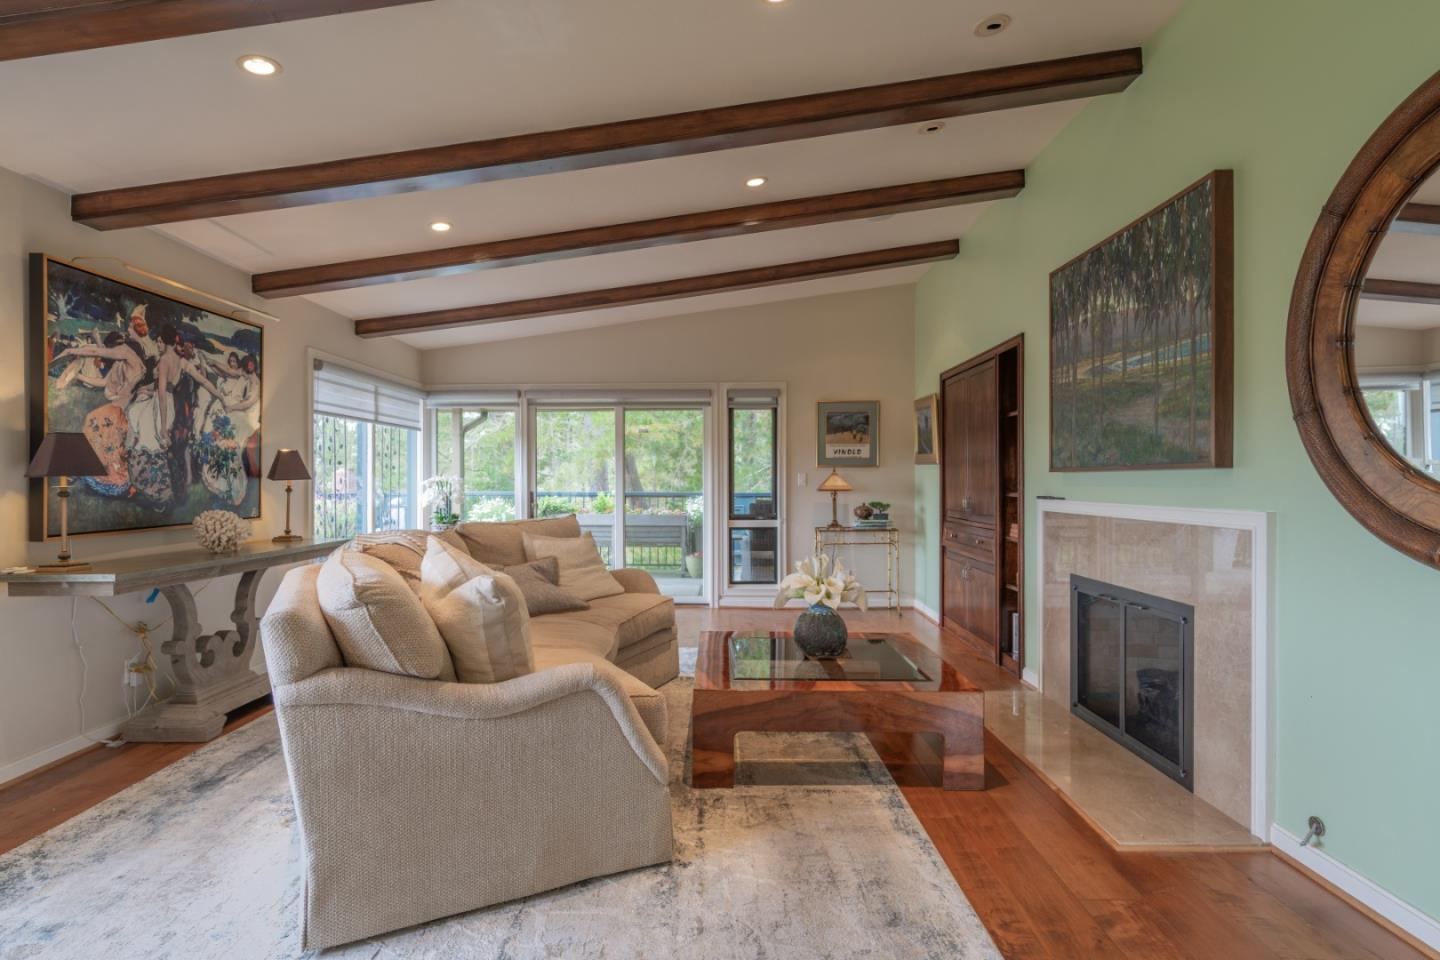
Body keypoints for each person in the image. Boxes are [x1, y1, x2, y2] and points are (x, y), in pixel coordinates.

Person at [51, 332, 146, 496]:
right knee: (93, 422)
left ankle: (116, 479)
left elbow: (96, 352)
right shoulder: (120, 361)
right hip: (116, 408)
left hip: (125, 410)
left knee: (100, 428)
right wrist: (78, 376)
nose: (110, 354)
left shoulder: (127, 352)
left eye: (111, 350)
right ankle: (85, 467)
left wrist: (71, 352)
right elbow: (103, 382)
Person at [195, 350, 261, 505]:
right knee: (220, 435)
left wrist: (233, 408)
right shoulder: (242, 374)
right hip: (238, 413)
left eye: (252, 363)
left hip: (247, 417)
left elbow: (248, 403)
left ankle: (235, 487)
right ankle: (221, 482)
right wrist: (211, 360)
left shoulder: (256, 383)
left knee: (231, 442)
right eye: (248, 363)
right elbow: (228, 371)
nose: (250, 366)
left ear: (255, 366)